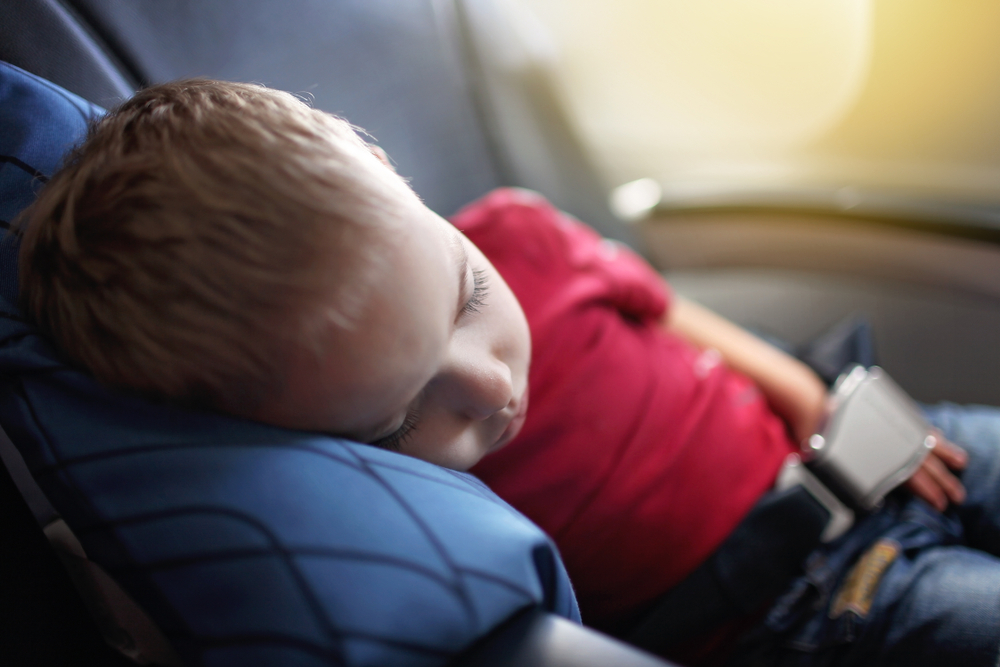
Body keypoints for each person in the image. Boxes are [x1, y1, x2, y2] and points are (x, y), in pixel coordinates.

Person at [14, 79, 999, 666]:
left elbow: (668, 312)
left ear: (381, 161)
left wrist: (813, 398)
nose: (490, 390)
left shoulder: (516, 229)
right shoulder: (424, 510)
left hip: (858, 439)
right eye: (406, 415)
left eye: (465, 300)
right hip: (822, 603)